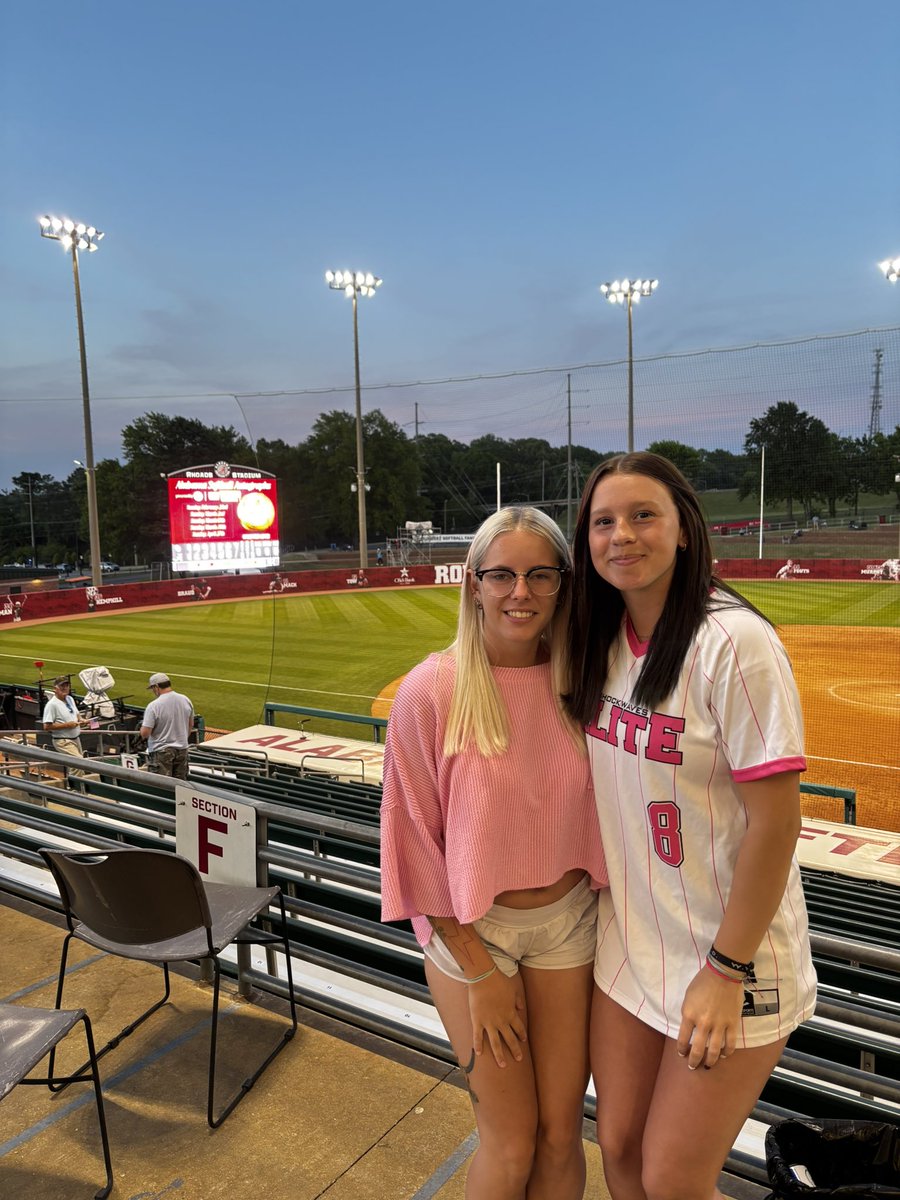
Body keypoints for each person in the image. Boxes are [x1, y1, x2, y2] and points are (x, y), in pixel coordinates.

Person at [564, 453, 817, 1200]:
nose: (622, 536)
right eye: (604, 521)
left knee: (674, 1178)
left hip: (729, 957)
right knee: (617, 1147)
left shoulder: (733, 642)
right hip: (633, 945)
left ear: (684, 529)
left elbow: (778, 824)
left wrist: (725, 971)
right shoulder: (598, 638)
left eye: (644, 515)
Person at [380, 506, 607, 1200]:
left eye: (541, 575)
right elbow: (413, 844)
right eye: (503, 575)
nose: (522, 592)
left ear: (564, 584)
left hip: (570, 926)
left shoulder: (585, 688)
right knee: (509, 1145)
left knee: (562, 1135)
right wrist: (482, 975)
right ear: (473, 584)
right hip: (473, 938)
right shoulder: (433, 690)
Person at [140, 672, 195, 779]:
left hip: (161, 751)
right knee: (179, 786)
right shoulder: (185, 699)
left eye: (152, 688)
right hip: (182, 749)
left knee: (161, 787)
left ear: (156, 687)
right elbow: (190, 725)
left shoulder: (154, 705)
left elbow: (145, 733)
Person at [42, 675, 85, 760]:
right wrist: (67, 725)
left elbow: (76, 714)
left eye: (67, 685)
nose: (65, 688)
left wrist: (82, 720)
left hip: (76, 739)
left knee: (78, 765)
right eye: (62, 686)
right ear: (55, 688)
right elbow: (47, 727)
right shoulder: (52, 704)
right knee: (78, 762)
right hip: (63, 741)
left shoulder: (70, 699)